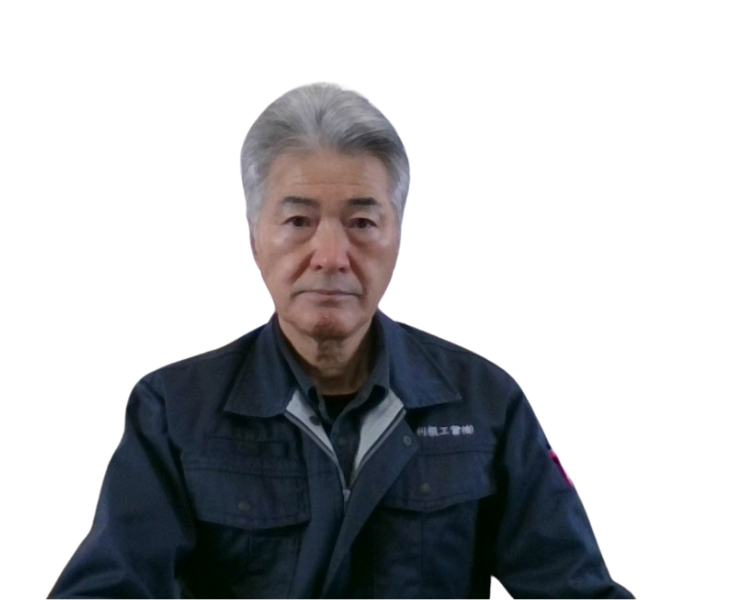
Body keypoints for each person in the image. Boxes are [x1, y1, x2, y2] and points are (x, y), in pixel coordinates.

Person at [48, 80, 634, 599]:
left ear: (397, 236)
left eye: (361, 222)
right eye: (298, 221)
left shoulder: (485, 401)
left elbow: (576, 589)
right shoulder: (174, 409)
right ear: (255, 237)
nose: (331, 256)